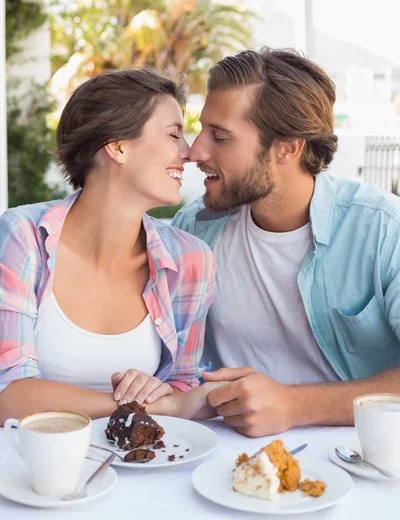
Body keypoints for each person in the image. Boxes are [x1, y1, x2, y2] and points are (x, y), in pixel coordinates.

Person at [172, 47, 400, 437]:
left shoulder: (381, 230)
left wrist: (293, 404)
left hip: (358, 458)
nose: (195, 151)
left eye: (220, 136)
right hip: (220, 458)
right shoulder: (194, 230)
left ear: (288, 148)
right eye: (201, 128)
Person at [0, 67, 218, 426]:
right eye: (173, 134)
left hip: (142, 471)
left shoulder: (191, 261)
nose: (189, 151)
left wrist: (160, 392)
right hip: (32, 468)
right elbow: (9, 394)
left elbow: (182, 386)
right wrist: (138, 406)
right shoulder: (23, 238)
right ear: (118, 146)